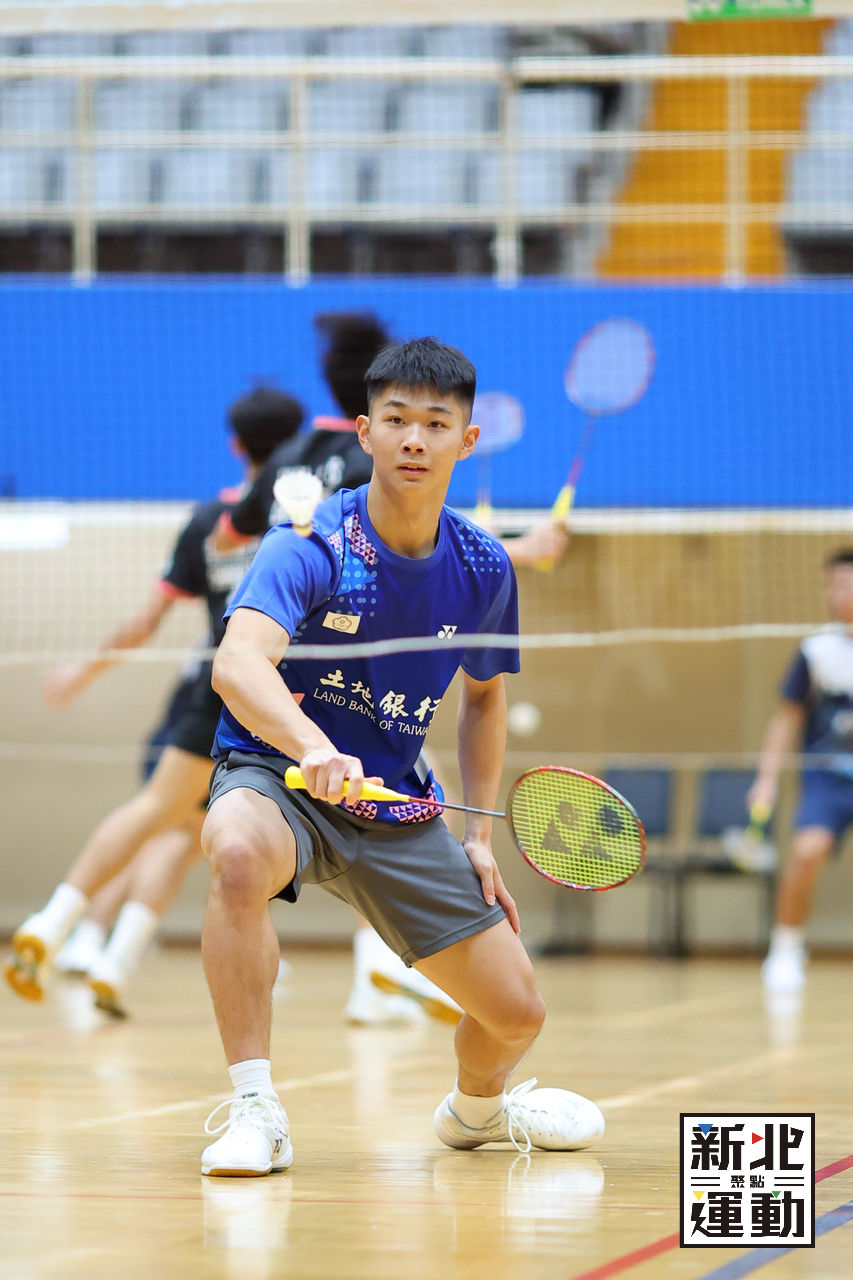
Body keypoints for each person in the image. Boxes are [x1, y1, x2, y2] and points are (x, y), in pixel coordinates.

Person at [198, 337, 605, 1177]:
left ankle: (477, 1112)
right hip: (282, 778)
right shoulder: (312, 541)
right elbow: (237, 663)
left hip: (392, 802)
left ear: (466, 440)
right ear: (365, 432)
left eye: (435, 423)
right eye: (395, 420)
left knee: (515, 1016)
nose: (414, 439)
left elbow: (483, 699)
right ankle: (254, 1107)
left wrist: (478, 837)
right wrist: (312, 747)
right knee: (235, 852)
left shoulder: (483, 566)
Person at [4, 387, 305, 1010]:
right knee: (207, 833)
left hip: (218, 687)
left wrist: (84, 672)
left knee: (163, 816)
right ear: (299, 447)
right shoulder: (307, 524)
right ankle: (383, 970)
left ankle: (56, 922)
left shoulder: (208, 523)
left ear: (236, 444)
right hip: (287, 696)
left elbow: (145, 621)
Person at [753, 548, 853, 993]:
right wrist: (766, 780)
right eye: (833, 584)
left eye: (846, 584)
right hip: (826, 777)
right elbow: (787, 717)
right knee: (807, 852)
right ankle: (786, 949)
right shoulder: (816, 649)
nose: (838, 593)